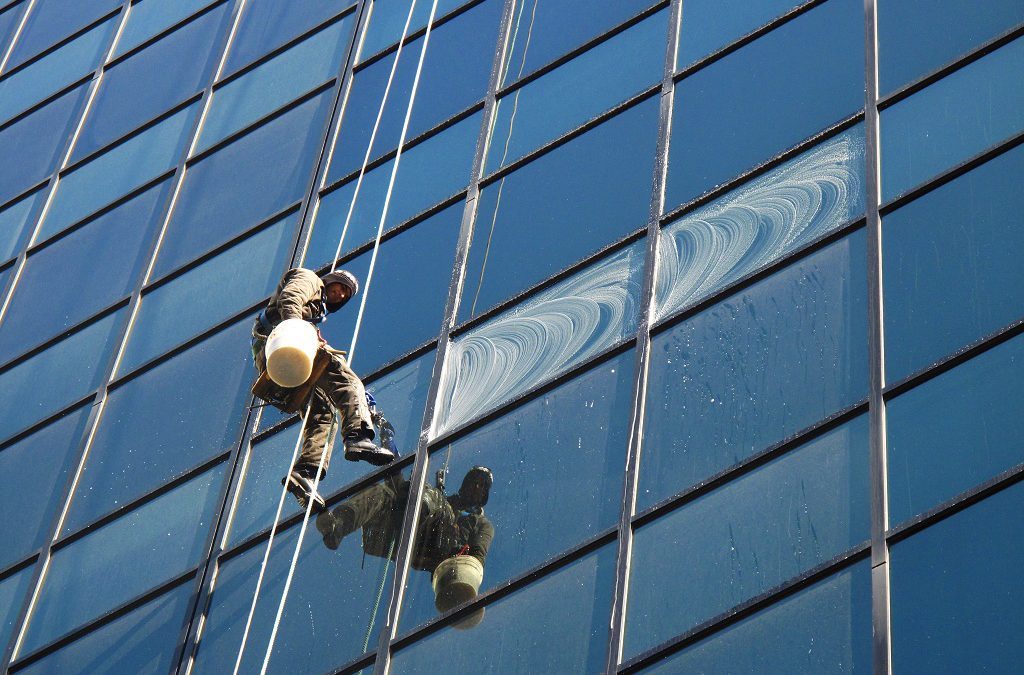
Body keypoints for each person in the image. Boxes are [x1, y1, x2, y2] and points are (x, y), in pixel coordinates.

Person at [252, 267, 395, 509]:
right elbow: (291, 298)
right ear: (328, 282)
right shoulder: (310, 279)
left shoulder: (315, 311)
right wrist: (296, 331)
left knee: (324, 412)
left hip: (274, 358)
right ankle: (357, 436)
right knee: (348, 382)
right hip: (282, 344)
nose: (339, 295)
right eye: (338, 288)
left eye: (345, 295)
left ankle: (305, 472)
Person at [314, 466, 495, 578]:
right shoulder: (446, 504)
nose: (475, 486)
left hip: (438, 551)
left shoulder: (478, 522)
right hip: (402, 534)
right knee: (382, 493)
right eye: (472, 481)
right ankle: (338, 526)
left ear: (484, 496)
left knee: (433, 497)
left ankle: (416, 506)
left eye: (481, 485)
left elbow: (477, 558)